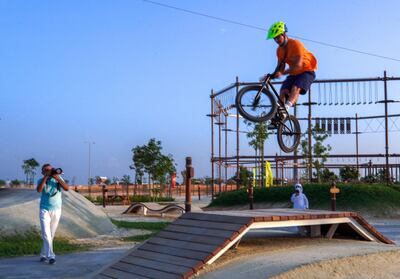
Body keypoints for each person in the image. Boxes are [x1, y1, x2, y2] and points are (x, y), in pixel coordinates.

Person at [263, 21, 317, 119]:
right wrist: (271, 76)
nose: (276, 40)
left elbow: (298, 65)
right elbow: (280, 67)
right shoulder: (279, 51)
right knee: (283, 91)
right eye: (274, 38)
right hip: (293, 73)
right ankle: (279, 117)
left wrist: (282, 73)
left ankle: (286, 108)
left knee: (295, 87)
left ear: (284, 34)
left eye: (278, 37)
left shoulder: (296, 44)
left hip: (307, 70)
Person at [36, 164, 69, 264]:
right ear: (42, 172)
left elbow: (66, 188)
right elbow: (39, 190)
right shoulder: (40, 180)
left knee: (51, 234)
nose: (49, 171)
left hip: (56, 209)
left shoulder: (57, 179)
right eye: (46, 170)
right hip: (44, 209)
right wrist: (46, 176)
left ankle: (43, 254)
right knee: (46, 233)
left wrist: (57, 177)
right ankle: (51, 256)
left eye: (50, 170)